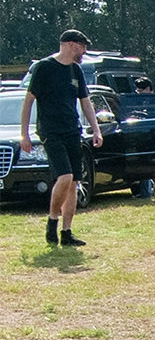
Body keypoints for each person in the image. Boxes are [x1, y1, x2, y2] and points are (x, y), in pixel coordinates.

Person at [19, 29, 103, 246]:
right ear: (69, 44)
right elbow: (28, 101)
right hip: (50, 131)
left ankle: (66, 233)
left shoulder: (76, 71)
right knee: (64, 176)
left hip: (72, 130)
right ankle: (52, 221)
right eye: (81, 46)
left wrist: (96, 130)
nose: (84, 51)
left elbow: (85, 102)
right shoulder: (44, 68)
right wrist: (24, 134)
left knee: (74, 182)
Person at [132, 77, 155, 198]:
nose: (139, 93)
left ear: (148, 89)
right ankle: (145, 193)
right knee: (144, 167)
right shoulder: (141, 101)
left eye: (141, 90)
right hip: (145, 138)